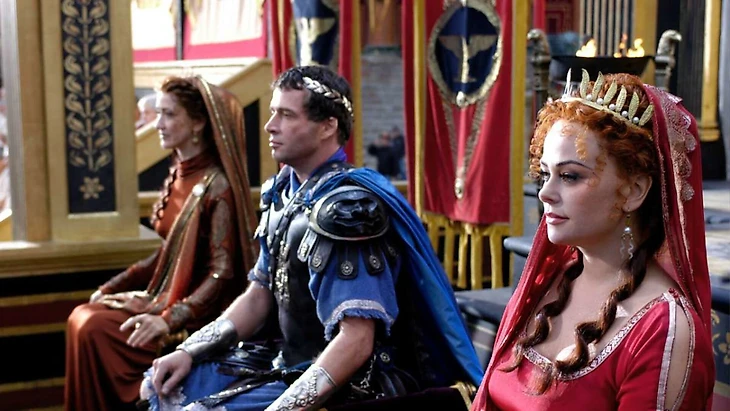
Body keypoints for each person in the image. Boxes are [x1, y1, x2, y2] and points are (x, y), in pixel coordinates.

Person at [139, 65, 482, 410]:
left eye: (286, 115)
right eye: (273, 112)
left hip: (352, 384)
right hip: (285, 362)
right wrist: (189, 350)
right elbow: (258, 296)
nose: (270, 125)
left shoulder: (348, 211)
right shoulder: (282, 193)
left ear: (327, 126)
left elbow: (356, 340)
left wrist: (283, 409)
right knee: (164, 386)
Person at [471, 70, 715, 410]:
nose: (545, 193)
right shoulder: (549, 282)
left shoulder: (662, 330)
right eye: (545, 174)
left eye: (570, 176)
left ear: (633, 190)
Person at [65, 76, 259, 411]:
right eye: (159, 114)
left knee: (93, 326)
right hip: (164, 297)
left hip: (198, 316)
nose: (158, 124)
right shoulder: (179, 172)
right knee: (81, 317)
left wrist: (167, 320)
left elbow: (222, 272)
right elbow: (166, 254)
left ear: (198, 123)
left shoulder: (217, 186)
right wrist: (111, 287)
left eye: (169, 114)